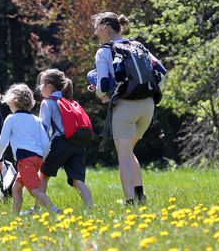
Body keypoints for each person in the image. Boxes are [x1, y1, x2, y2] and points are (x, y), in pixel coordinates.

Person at [91, 11, 166, 205]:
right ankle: (140, 196)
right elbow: (162, 72)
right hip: (148, 106)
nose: (95, 31)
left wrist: (102, 95)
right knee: (129, 151)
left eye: (97, 26)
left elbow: (103, 85)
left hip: (125, 107)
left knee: (123, 156)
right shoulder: (138, 45)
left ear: (106, 27)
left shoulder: (104, 51)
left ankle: (130, 202)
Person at [0, 84, 60, 215]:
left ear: (12, 101)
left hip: (25, 159)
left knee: (34, 190)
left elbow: (3, 142)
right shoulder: (37, 120)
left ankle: (55, 211)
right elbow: (46, 142)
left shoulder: (11, 118)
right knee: (16, 189)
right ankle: (15, 216)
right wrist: (42, 157)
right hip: (38, 158)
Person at [36, 69, 93, 209]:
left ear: (49, 85)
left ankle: (37, 208)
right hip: (78, 143)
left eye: (41, 84)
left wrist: (40, 148)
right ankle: (90, 208)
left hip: (60, 143)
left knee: (43, 175)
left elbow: (44, 128)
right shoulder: (69, 101)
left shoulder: (47, 102)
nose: (39, 87)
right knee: (77, 180)